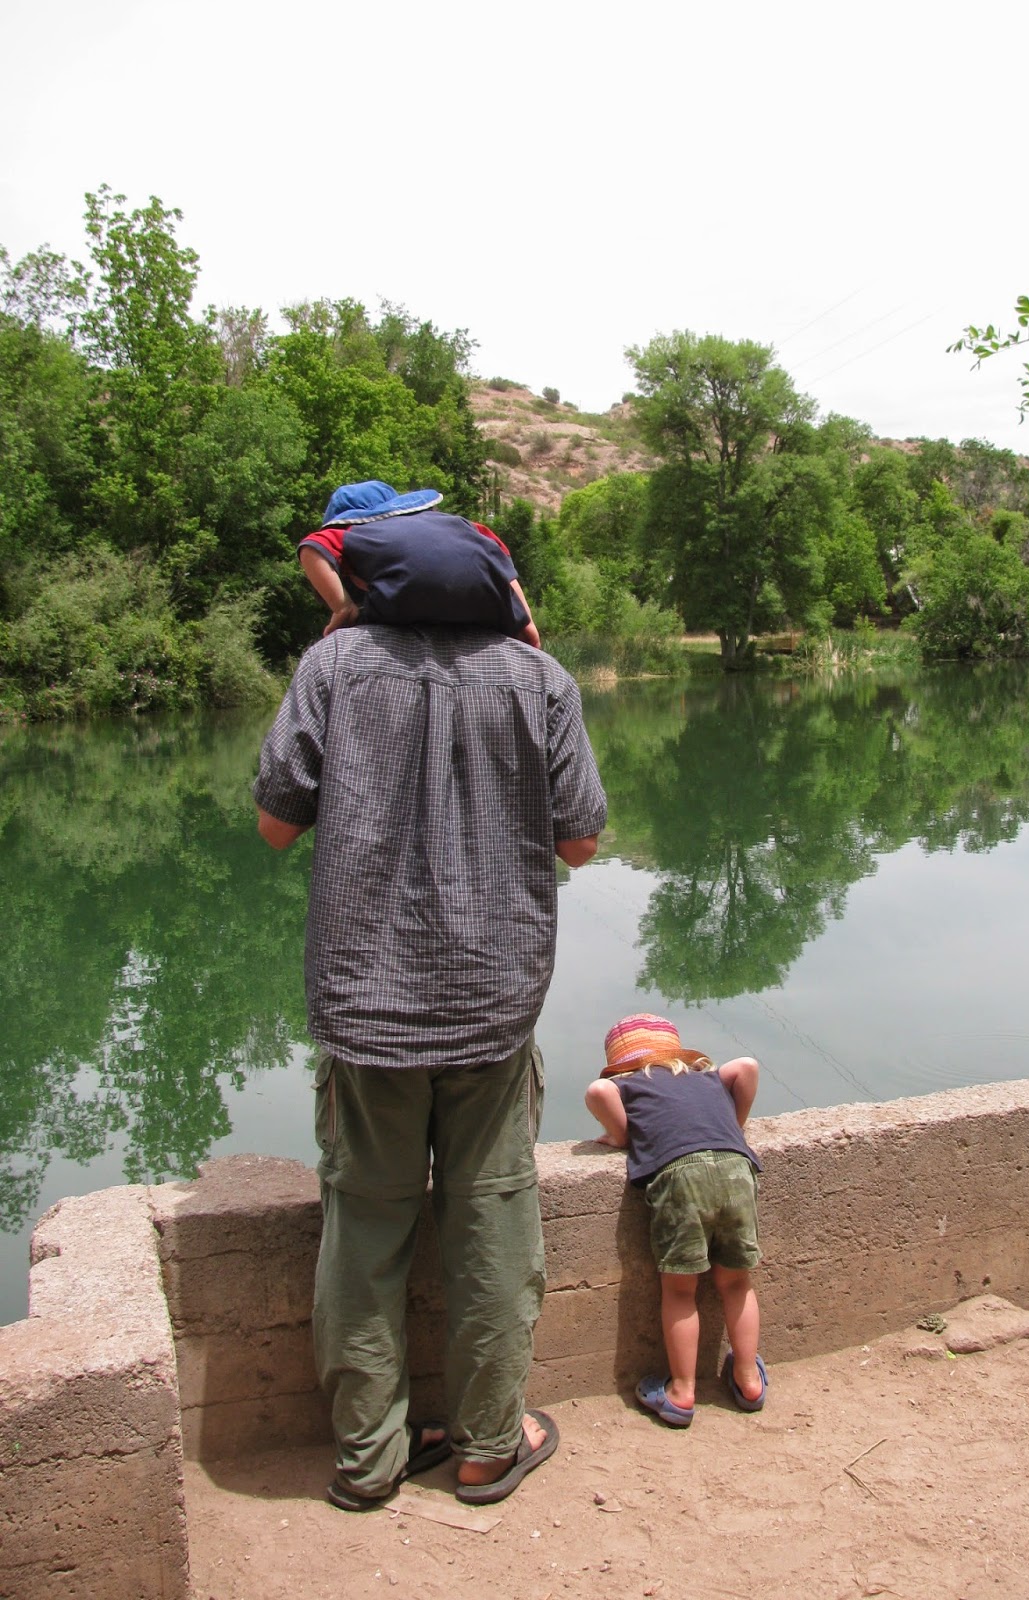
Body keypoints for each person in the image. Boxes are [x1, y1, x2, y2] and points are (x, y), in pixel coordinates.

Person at [254, 613, 606, 1510]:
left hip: (367, 1002)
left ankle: (368, 1460)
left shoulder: (333, 664)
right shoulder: (539, 677)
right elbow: (580, 842)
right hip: (491, 1002)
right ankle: (490, 1446)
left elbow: (273, 825)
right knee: (491, 1214)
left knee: (365, 1224)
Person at [584, 1013, 767, 1427]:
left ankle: (683, 1392)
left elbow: (597, 1091)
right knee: (737, 1282)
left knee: (681, 1291)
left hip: (679, 1178)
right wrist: (733, 1126)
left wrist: (620, 1137)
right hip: (738, 1168)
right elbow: (748, 1067)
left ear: (621, 1063)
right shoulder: (707, 1078)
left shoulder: (627, 1084)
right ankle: (748, 1379)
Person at [297, 479, 541, 647]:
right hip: (484, 592)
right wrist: (526, 622)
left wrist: (343, 607)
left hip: (410, 594)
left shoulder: (352, 531)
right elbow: (496, 552)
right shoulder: (457, 523)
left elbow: (311, 548)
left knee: (374, 605)